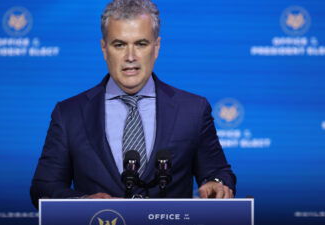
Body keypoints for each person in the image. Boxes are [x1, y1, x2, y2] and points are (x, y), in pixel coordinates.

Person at [30, 0, 236, 208]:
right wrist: (83, 203)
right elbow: (43, 187)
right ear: (104, 49)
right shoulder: (69, 114)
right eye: (119, 45)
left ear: (156, 47)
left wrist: (216, 183)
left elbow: (217, 172)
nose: (130, 57)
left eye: (141, 44)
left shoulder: (192, 110)